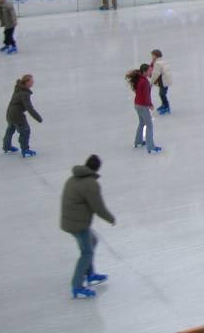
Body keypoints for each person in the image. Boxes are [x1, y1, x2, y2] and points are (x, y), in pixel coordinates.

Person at [60, 154, 116, 299]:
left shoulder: (73, 178)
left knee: (93, 241)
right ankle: (77, 286)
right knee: (86, 253)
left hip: (70, 220)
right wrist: (110, 218)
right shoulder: (90, 184)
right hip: (78, 224)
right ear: (97, 168)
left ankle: (90, 273)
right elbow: (98, 207)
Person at [3, 74, 41, 157]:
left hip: (9, 113)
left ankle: (6, 146)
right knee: (25, 131)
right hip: (17, 115)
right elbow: (29, 108)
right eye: (31, 81)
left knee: (10, 129)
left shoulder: (18, 88)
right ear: (27, 82)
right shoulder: (24, 94)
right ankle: (25, 150)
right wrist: (38, 118)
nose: (33, 83)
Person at [127, 64, 161, 153]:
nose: (151, 72)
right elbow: (146, 96)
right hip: (142, 105)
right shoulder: (144, 82)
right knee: (149, 125)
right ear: (145, 72)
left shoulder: (139, 79)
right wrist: (149, 104)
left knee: (142, 123)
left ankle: (138, 141)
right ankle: (151, 147)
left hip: (137, 104)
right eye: (149, 71)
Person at [149, 49, 173, 115]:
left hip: (163, 81)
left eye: (152, 56)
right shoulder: (162, 61)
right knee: (161, 93)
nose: (152, 57)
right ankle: (164, 105)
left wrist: (151, 83)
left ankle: (166, 106)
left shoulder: (157, 63)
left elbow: (155, 74)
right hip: (165, 80)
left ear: (155, 56)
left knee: (162, 94)